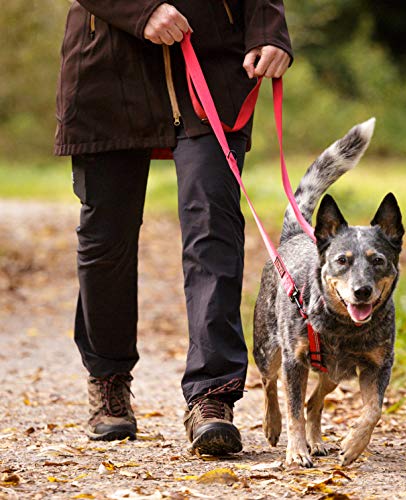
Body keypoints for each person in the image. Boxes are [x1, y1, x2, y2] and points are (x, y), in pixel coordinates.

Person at [54, 0, 292, 456]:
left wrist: (268, 29)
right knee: (107, 237)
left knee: (213, 228)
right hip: (107, 68)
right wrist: (141, 11)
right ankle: (109, 382)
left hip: (211, 64)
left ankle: (212, 396)